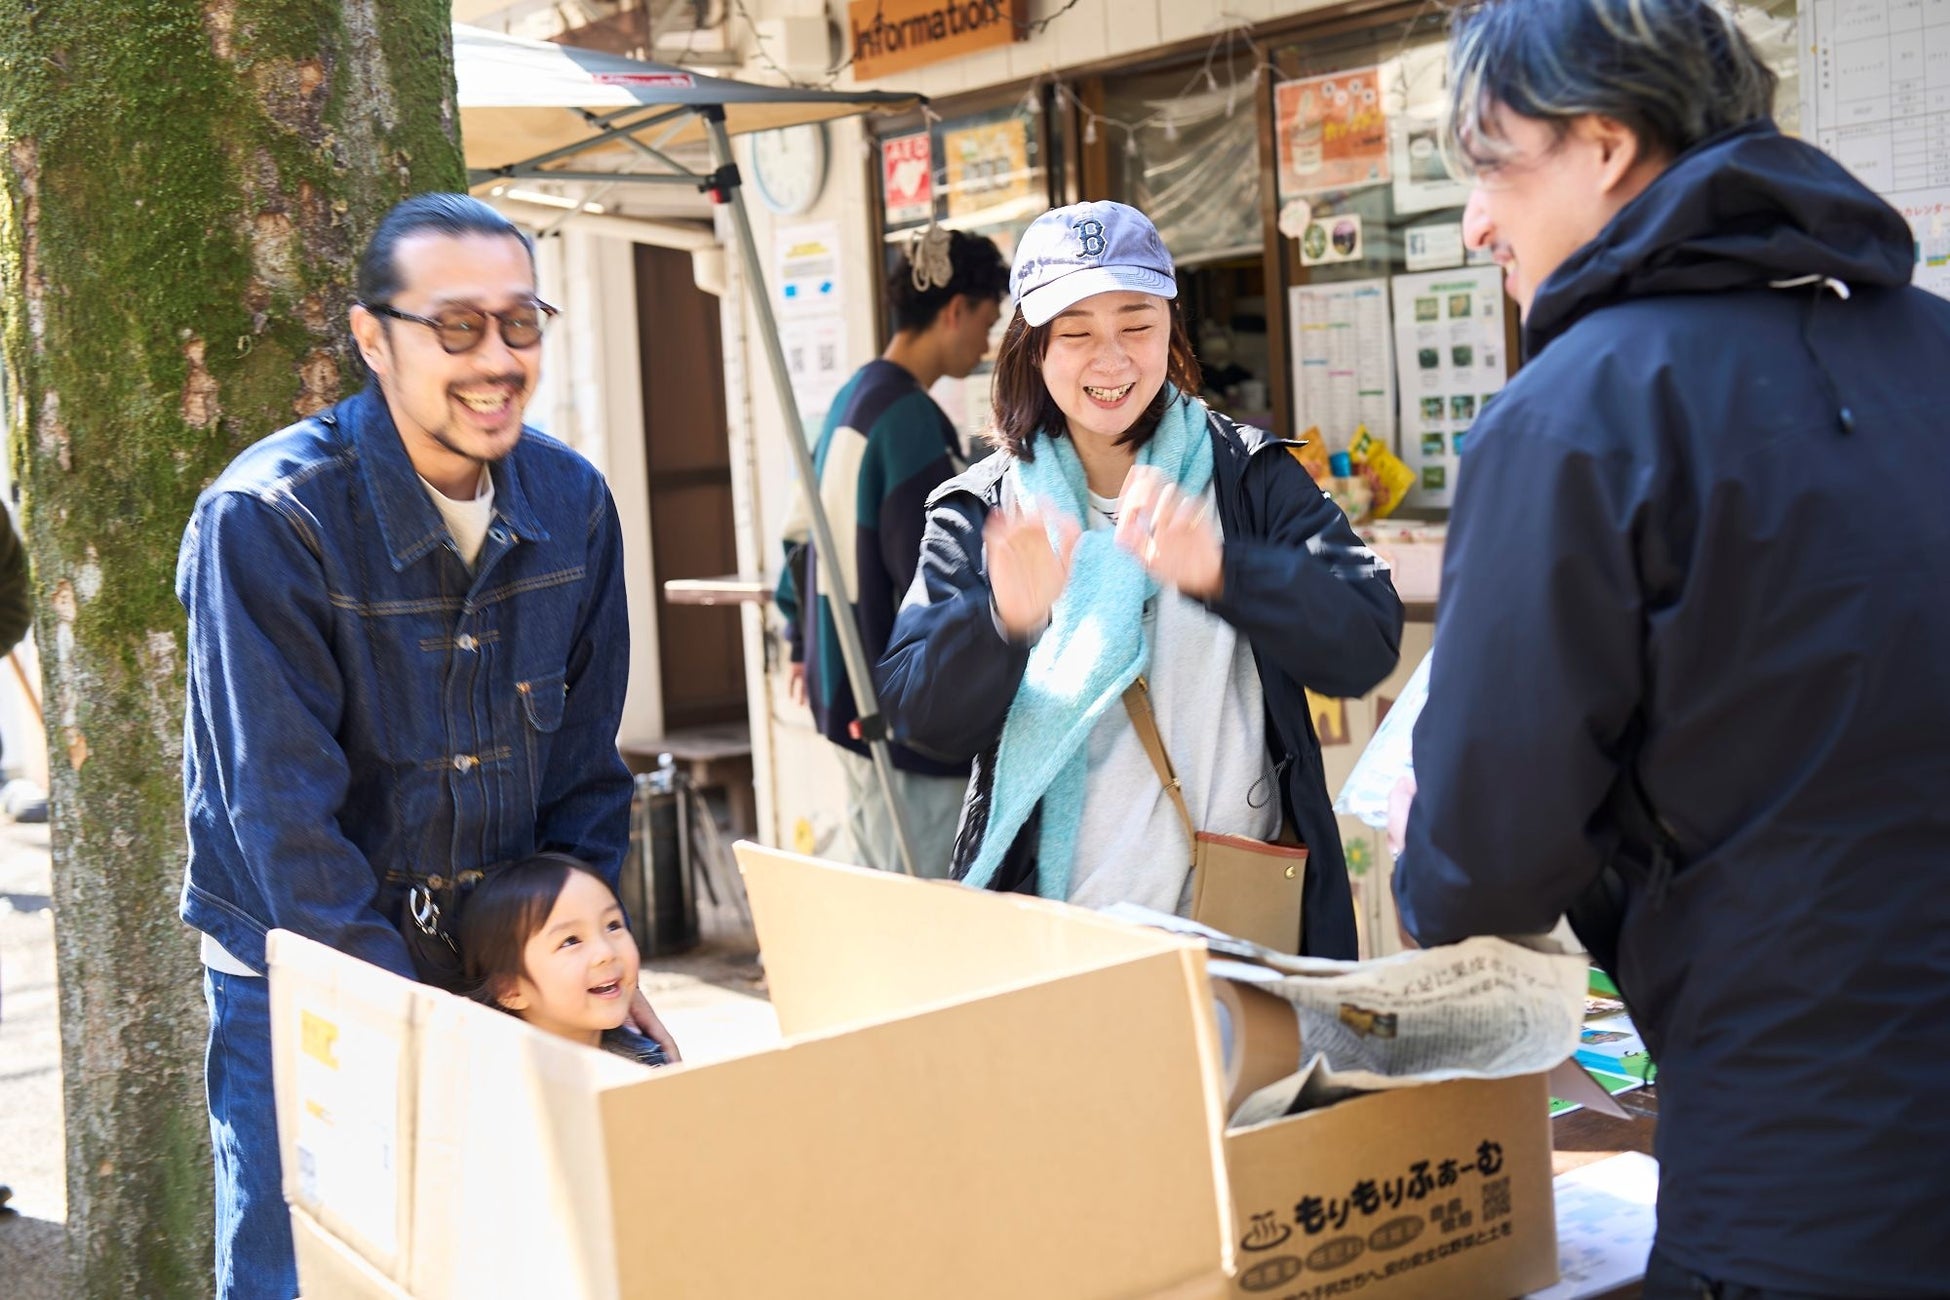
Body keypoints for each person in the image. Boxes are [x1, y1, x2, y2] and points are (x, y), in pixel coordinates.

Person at [1388, 1, 1950, 1296]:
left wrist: (1430, 854)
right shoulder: (1933, 354)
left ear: (1600, 143)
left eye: (1488, 166)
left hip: (1797, 1172)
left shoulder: (1574, 415)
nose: (1477, 221)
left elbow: (1483, 871)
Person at [177, 193, 674, 1299]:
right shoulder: (269, 518)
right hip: (306, 971)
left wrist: (584, 954)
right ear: (371, 337)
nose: (495, 358)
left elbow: (587, 771)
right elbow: (283, 822)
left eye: (521, 323)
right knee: (308, 1270)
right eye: (455, 327)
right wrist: (420, 1030)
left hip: (503, 964)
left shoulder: (575, 501)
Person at [877, 201, 1401, 956]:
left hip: (1236, 939)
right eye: (1078, 332)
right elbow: (919, 716)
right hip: (1057, 943)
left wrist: (1226, 571)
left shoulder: (1248, 477)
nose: (1112, 359)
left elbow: (1367, 641)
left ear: (1170, 331)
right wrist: (1001, 621)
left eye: (1137, 324)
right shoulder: (984, 507)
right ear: (1034, 348)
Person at [775, 227, 1009, 877]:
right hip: (903, 719)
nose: (988, 341)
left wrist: (801, 639)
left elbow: (796, 533)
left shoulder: (854, 397)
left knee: (880, 887)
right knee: (929, 910)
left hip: (848, 696)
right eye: (988, 321)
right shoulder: (909, 421)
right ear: (955, 309)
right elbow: (936, 584)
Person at [457, 853, 668, 1066]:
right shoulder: (499, 1089)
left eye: (612, 925)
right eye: (570, 941)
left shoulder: (646, 1068)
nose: (606, 953)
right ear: (510, 988)